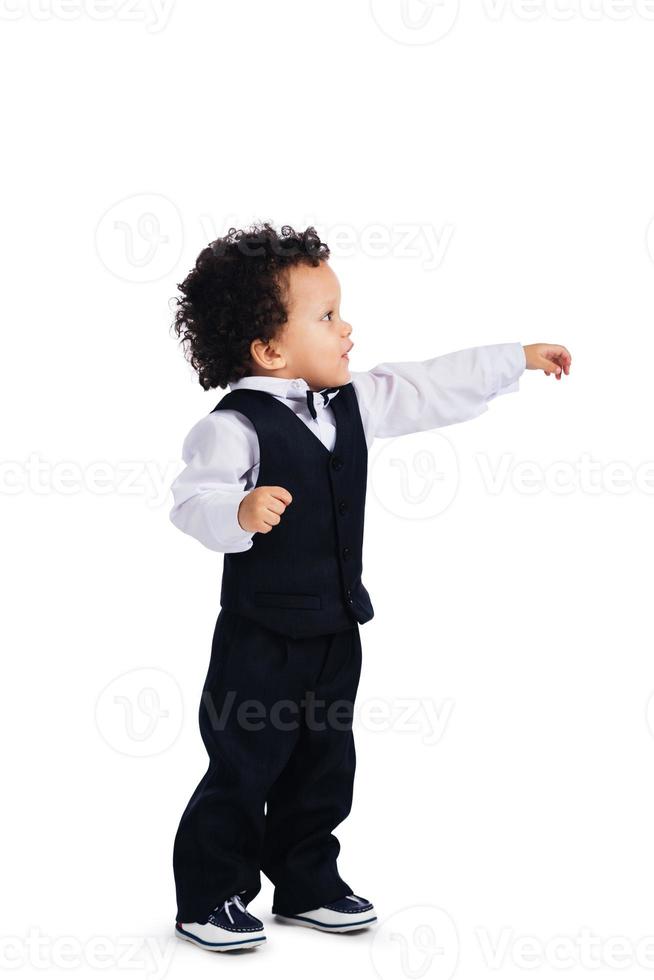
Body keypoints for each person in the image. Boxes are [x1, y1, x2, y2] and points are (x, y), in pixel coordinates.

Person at [168, 222, 572, 953]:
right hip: (259, 636)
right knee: (243, 760)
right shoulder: (235, 427)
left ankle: (306, 881)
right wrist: (237, 511)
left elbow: (429, 384)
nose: (347, 329)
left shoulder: (354, 402)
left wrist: (516, 359)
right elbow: (191, 502)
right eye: (326, 318)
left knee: (325, 758)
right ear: (270, 350)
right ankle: (212, 893)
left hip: (334, 627)